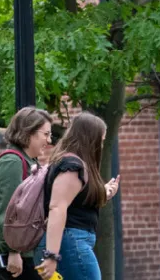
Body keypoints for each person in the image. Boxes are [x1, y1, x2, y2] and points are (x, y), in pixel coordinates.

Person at [36, 113, 121, 280]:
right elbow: (57, 207)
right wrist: (52, 255)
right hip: (71, 241)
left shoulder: (71, 164)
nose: (101, 146)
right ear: (90, 139)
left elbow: (75, 200)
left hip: (73, 240)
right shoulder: (72, 166)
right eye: (100, 140)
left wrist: (103, 192)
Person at [0, 107, 54, 280]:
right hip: (14, 252)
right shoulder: (12, 163)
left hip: (24, 249)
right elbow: (7, 211)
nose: (49, 140)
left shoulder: (29, 161)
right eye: (46, 134)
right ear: (29, 133)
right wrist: (12, 251)